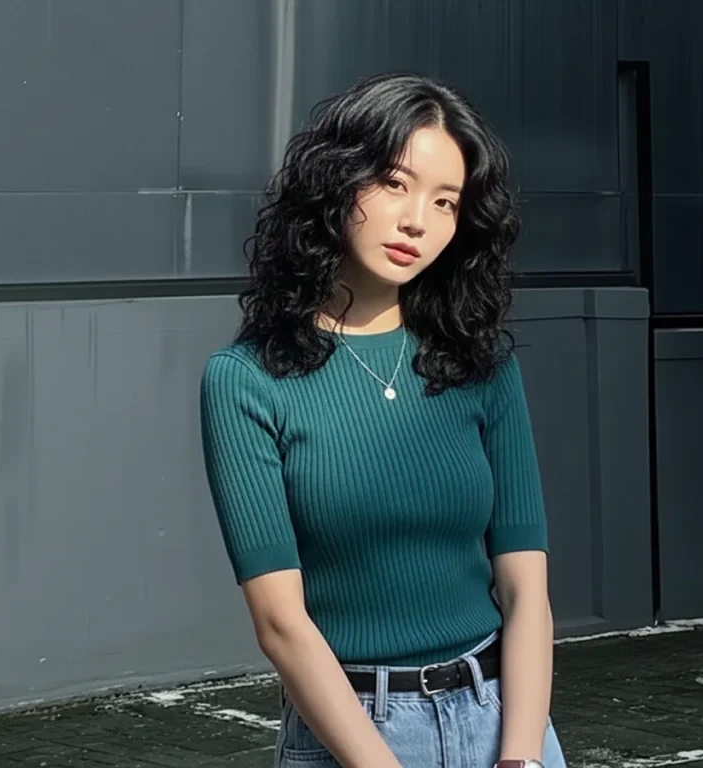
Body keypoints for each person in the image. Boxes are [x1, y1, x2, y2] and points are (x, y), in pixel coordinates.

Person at [199, 72, 566, 768]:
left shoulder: (482, 369)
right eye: (395, 183)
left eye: (446, 201)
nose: (417, 221)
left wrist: (520, 759)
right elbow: (281, 624)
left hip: (505, 720)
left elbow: (526, 591)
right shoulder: (245, 382)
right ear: (335, 183)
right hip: (355, 734)